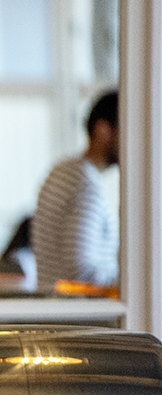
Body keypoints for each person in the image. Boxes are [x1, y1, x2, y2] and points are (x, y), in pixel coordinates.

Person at [31, 90, 119, 291]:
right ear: (102, 129)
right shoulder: (85, 184)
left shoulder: (63, 170)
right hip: (77, 306)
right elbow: (80, 273)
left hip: (55, 303)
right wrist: (134, 280)